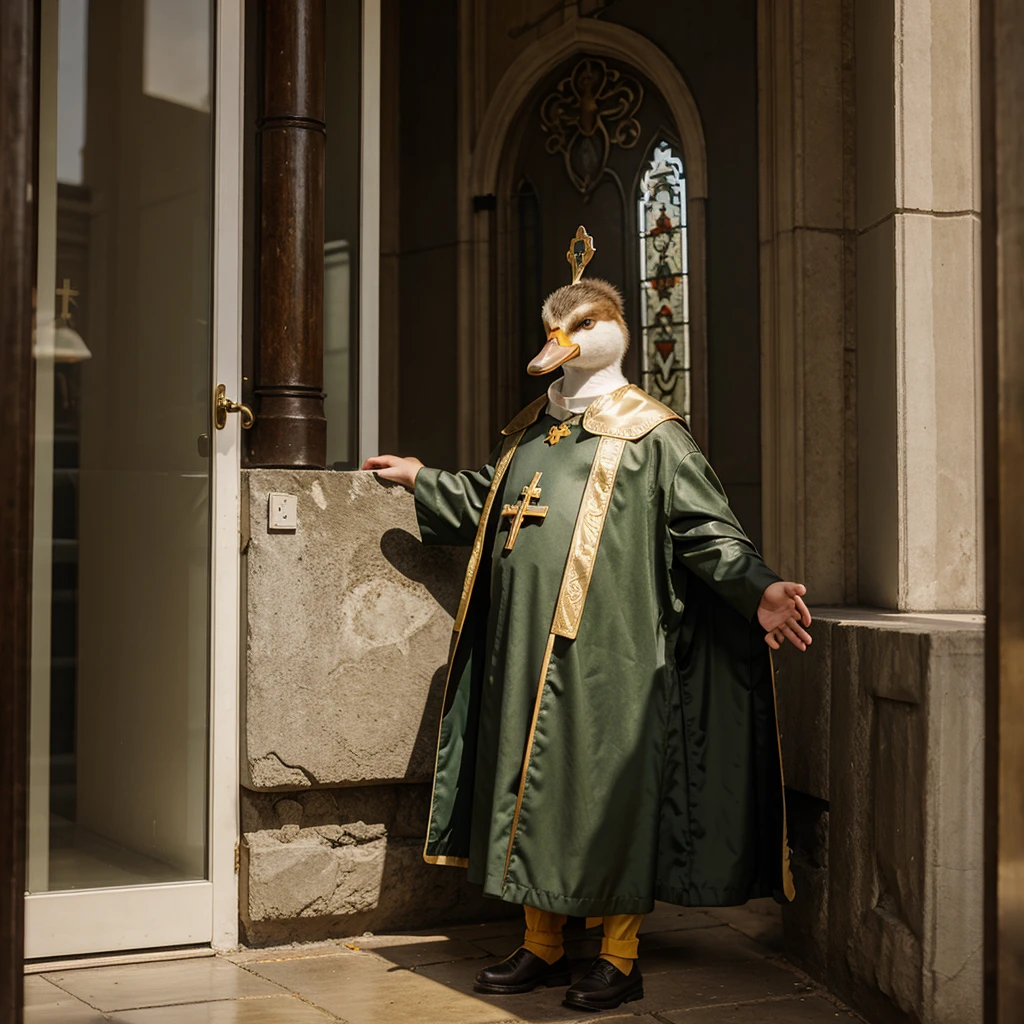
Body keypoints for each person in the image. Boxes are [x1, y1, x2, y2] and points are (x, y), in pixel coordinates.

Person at [362, 227, 810, 1012]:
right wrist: (421, 479)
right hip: (522, 646)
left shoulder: (652, 434)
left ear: (612, 333)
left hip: (611, 656)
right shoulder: (536, 427)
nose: (559, 343)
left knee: (607, 793)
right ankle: (540, 943)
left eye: (577, 329)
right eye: (553, 331)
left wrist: (759, 588)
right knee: (530, 789)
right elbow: (494, 501)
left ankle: (620, 952)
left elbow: (707, 531)